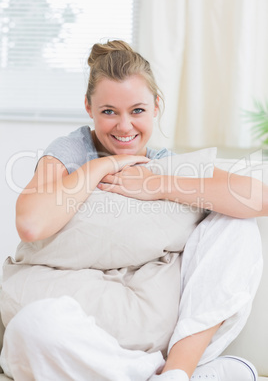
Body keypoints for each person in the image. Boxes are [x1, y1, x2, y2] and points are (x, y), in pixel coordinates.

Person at [0, 40, 267, 381]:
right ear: (88, 107)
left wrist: (158, 184)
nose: (124, 127)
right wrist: (104, 165)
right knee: (32, 326)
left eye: (137, 110)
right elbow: (32, 224)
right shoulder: (72, 150)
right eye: (109, 112)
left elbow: (259, 198)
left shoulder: (164, 165)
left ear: (156, 106)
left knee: (235, 224)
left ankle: (175, 372)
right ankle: (161, 374)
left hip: (157, 326)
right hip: (87, 339)